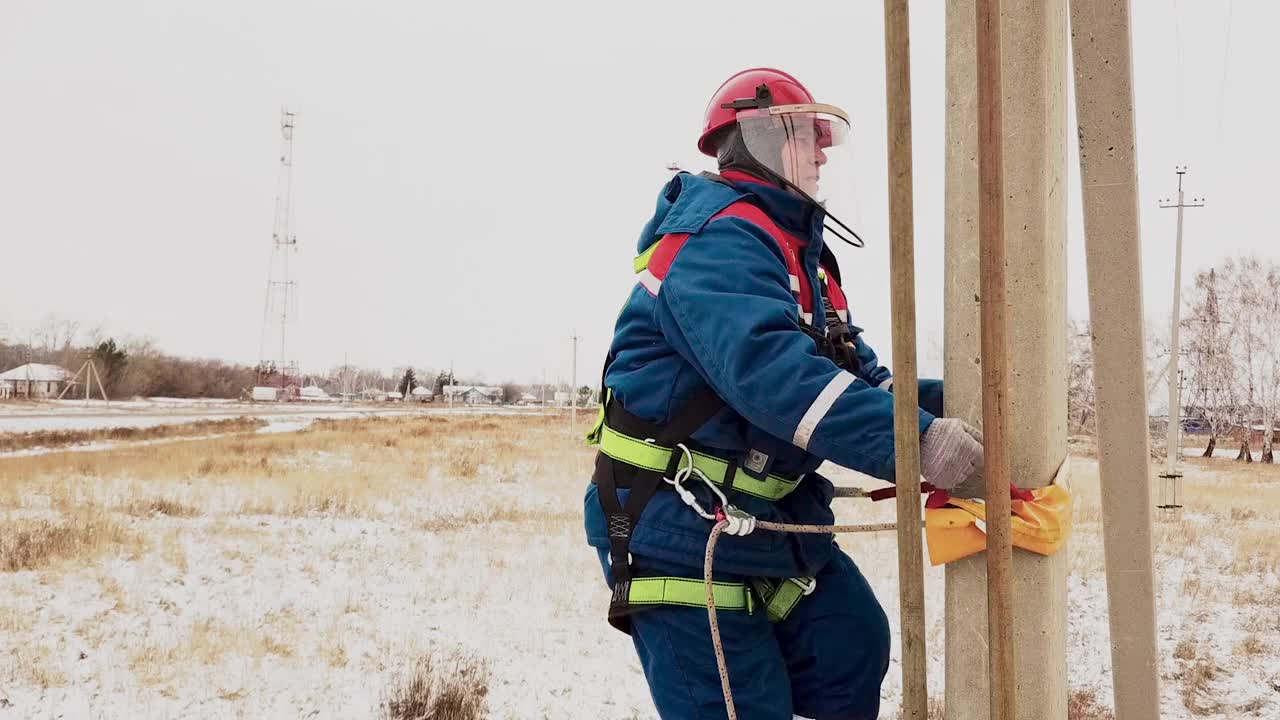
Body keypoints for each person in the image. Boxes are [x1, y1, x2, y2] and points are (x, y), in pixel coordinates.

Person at [583, 67, 984, 720]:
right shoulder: (717, 239)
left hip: (766, 527)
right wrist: (917, 444)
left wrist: (955, 404)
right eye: (809, 135)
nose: (824, 151)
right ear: (760, 140)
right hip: (682, 532)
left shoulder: (795, 252)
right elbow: (776, 378)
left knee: (849, 643)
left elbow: (854, 376)